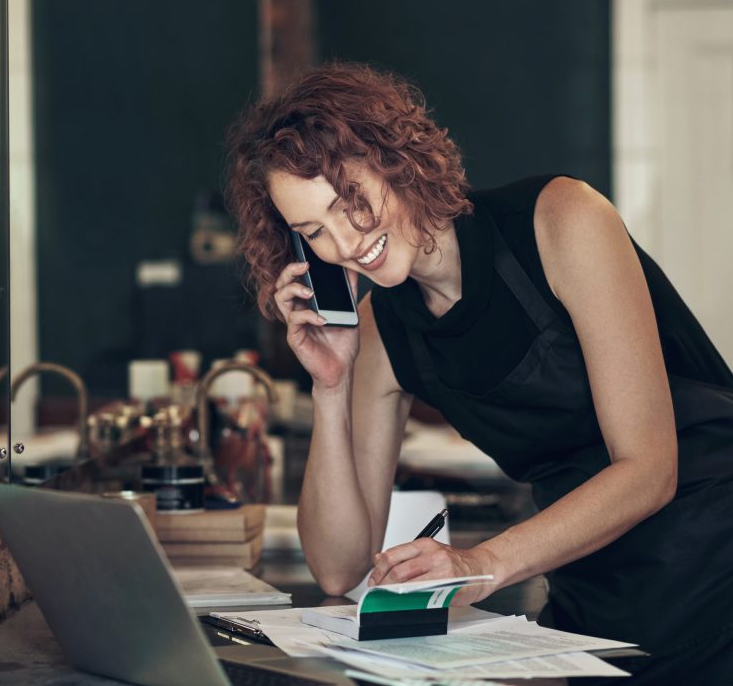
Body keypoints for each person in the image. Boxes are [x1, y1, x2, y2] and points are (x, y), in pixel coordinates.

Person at [225, 62, 733, 684]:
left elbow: (650, 471)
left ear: (393, 159)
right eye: (313, 232)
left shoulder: (561, 220)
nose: (344, 243)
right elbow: (336, 568)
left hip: (717, 566)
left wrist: (480, 563)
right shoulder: (382, 332)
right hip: (594, 593)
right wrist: (330, 385)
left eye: (349, 201)